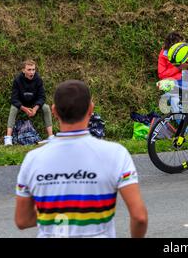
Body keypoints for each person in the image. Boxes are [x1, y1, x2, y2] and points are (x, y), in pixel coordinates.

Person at [15, 80, 148, 238]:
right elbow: (140, 217)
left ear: (54, 111)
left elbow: (22, 220)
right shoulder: (116, 154)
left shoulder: (32, 159)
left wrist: (56, 209)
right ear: (91, 109)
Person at [4, 60, 53, 145]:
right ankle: (8, 138)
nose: (32, 72)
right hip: (21, 104)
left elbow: (42, 97)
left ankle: (51, 136)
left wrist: (35, 108)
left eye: (33, 69)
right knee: (13, 108)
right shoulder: (18, 80)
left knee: (46, 107)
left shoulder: (38, 79)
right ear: (23, 70)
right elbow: (14, 99)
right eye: (29, 69)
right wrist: (24, 108)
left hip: (34, 104)